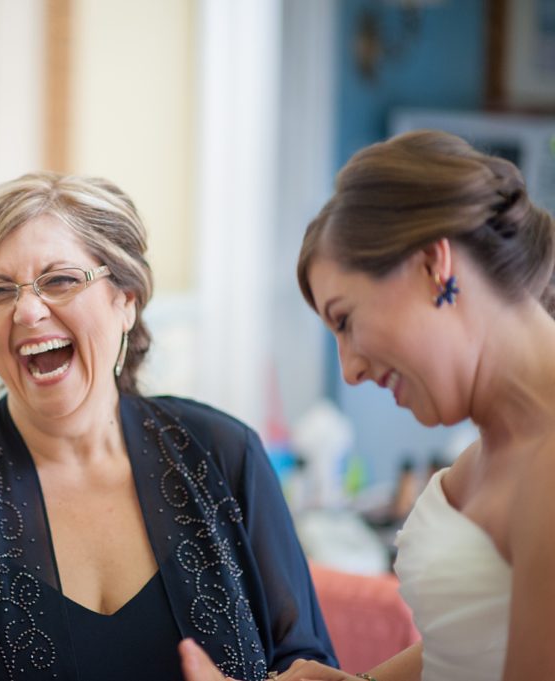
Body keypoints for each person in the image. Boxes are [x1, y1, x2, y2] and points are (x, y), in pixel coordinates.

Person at [0, 171, 337, 681]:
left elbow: (308, 666)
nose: (27, 309)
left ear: (125, 300)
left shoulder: (224, 454)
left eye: (60, 280)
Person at [182, 129, 555, 681]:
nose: (351, 369)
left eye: (346, 320)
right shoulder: (499, 452)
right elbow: (473, 641)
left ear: (433, 265)